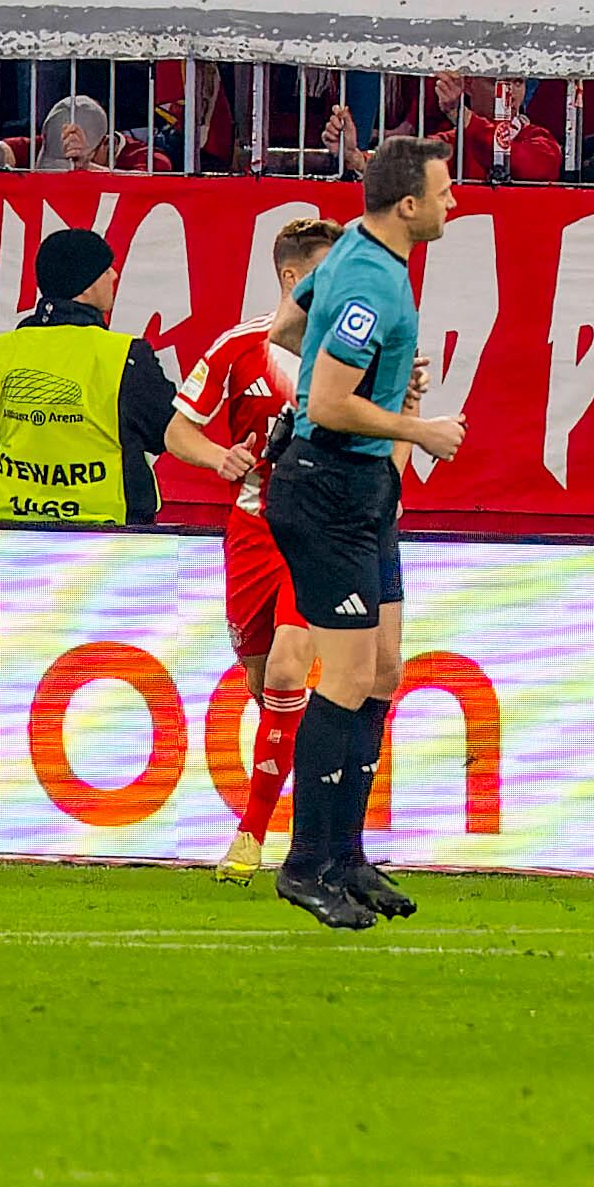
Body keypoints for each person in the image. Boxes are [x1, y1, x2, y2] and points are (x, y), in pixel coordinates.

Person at [257, 133, 466, 929]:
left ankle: (346, 854)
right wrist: (419, 428)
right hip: (331, 486)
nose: (454, 204)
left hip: (361, 485)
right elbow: (323, 405)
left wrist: (377, 383)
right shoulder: (373, 282)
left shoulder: (348, 252)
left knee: (381, 673)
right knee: (343, 680)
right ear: (407, 205)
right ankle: (306, 864)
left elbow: (284, 330)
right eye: (444, 194)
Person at [161, 203, 336, 880]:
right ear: (291, 278)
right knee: (269, 689)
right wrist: (216, 458)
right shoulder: (239, 346)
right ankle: (321, 795)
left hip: (317, 530)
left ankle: (253, 835)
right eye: (323, 278)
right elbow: (180, 430)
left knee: (293, 669)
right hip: (254, 529)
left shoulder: (352, 351)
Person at [0, 219, 172, 530]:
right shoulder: (124, 355)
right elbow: (167, 433)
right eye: (107, 269)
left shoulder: (2, 349)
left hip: (9, 520)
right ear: (88, 283)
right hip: (108, 528)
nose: (114, 275)